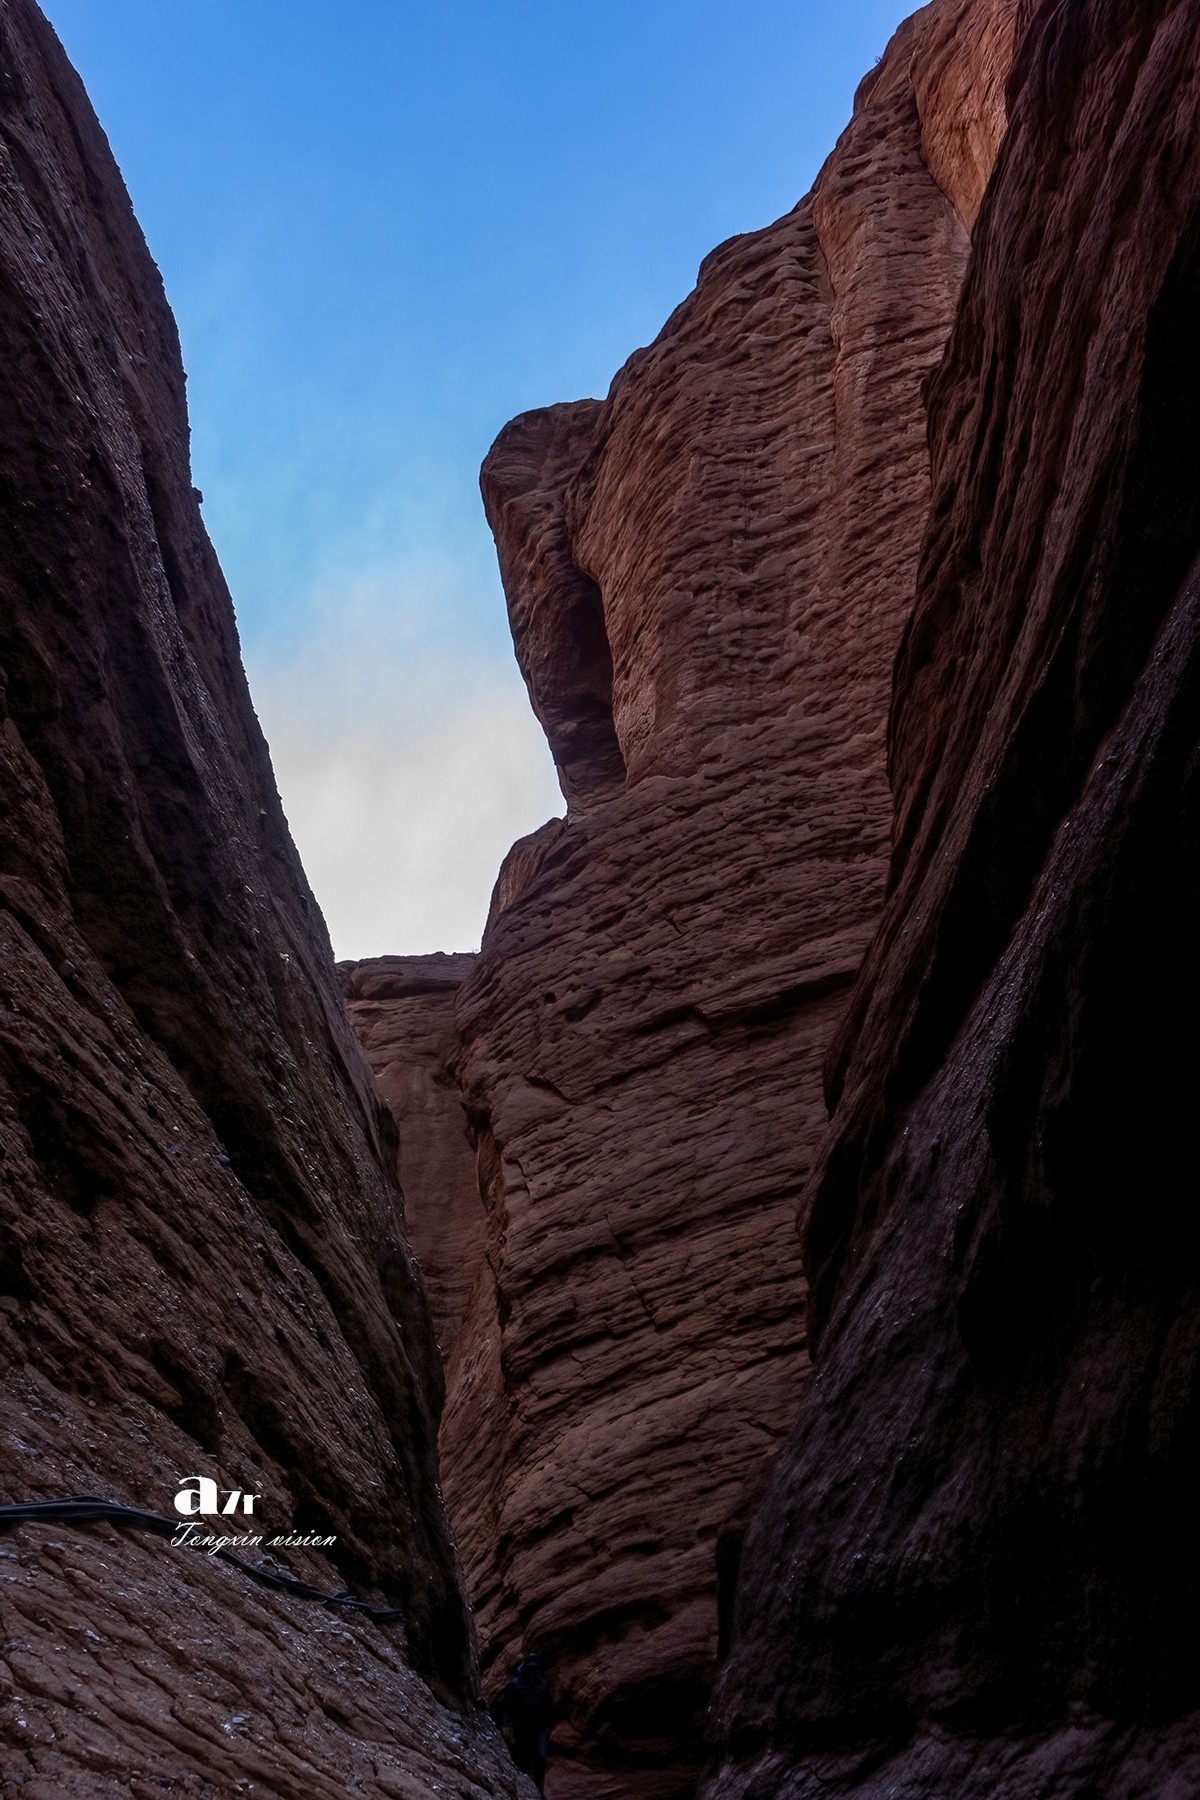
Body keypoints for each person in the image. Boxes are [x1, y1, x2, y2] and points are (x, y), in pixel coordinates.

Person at [495, 1651, 552, 1794]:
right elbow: (507, 1706)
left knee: (540, 1757)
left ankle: (538, 1791)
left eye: (535, 1668)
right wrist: (506, 1724)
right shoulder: (514, 1685)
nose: (533, 1672)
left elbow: (547, 1706)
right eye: (531, 1668)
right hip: (521, 1727)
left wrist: (547, 1727)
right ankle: (523, 1790)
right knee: (523, 1759)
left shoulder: (543, 1684)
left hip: (538, 1727)